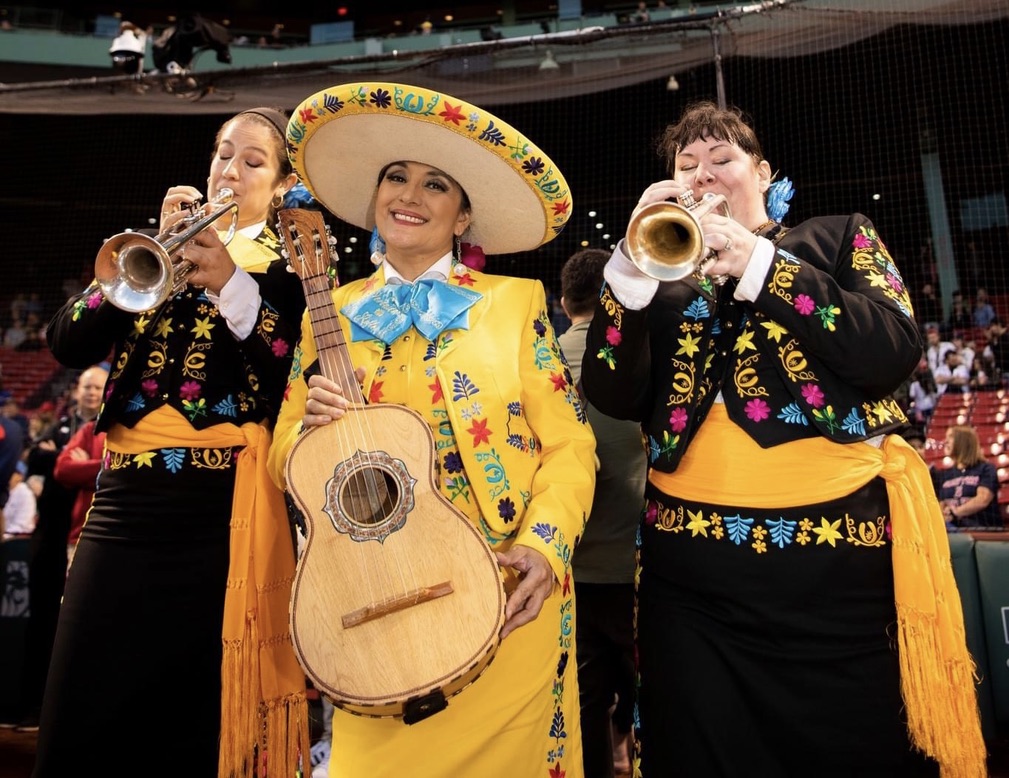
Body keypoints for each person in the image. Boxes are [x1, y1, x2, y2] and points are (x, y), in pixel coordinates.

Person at [581, 100, 985, 777]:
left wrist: (758, 264)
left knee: (853, 739)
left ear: (761, 173)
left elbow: (891, 349)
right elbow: (612, 394)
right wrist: (625, 277)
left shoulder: (837, 238)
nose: (702, 176)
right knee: (698, 741)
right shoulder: (657, 280)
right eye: (686, 167)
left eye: (720, 161)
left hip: (834, 573)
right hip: (691, 582)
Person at [267, 80, 595, 778]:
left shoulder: (514, 304)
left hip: (504, 593)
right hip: (371, 599)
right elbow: (282, 452)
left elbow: (570, 444)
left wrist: (545, 546)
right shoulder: (326, 311)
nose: (408, 194)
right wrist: (308, 435)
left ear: (462, 215)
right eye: (395, 177)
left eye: (435, 184)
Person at [34, 107, 309, 777]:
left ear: (278, 187)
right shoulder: (153, 254)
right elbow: (64, 341)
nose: (230, 171)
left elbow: (288, 361)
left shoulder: (290, 270)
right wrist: (149, 253)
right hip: (125, 501)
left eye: (252, 161)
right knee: (77, 703)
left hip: (218, 514)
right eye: (222, 154)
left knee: (192, 719)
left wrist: (228, 282)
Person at [558, 248, 646, 778]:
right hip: (642, 561)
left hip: (572, 565)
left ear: (565, 301)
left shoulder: (542, 356)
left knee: (585, 700)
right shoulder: (640, 354)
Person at [13, 364, 106, 734]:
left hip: (95, 540)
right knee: (52, 628)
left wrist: (87, 465)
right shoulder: (75, 428)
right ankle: (42, 711)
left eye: (97, 387)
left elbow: (116, 468)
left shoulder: (110, 428)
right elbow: (60, 469)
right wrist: (64, 461)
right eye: (85, 386)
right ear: (76, 390)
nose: (90, 393)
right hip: (58, 542)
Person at [51, 417, 105, 571]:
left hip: (131, 537)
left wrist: (86, 467)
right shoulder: (91, 429)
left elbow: (134, 473)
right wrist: (106, 466)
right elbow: (63, 470)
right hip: (82, 535)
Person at [934, 425, 1002, 529]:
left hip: (981, 530)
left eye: (950, 437)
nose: (945, 441)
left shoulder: (986, 469)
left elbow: (983, 499)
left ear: (963, 441)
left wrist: (955, 512)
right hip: (951, 530)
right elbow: (941, 505)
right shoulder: (945, 474)